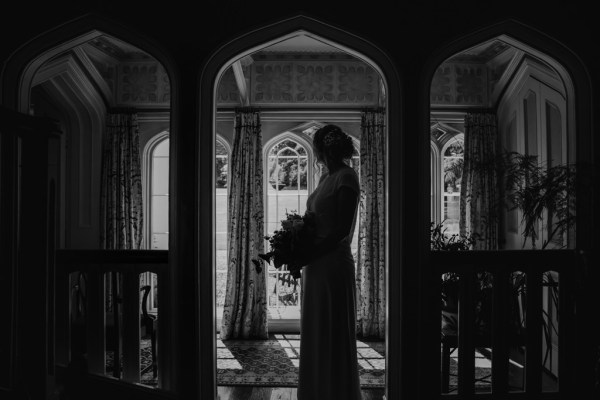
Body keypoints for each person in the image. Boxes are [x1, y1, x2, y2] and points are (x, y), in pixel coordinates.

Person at [297, 124, 362, 400]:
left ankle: (337, 392)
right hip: (315, 265)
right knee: (316, 327)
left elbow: (341, 230)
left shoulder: (347, 177)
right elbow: (315, 220)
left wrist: (309, 253)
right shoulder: (326, 178)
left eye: (316, 147)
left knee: (333, 327)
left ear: (324, 149)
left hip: (333, 263)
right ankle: (316, 390)